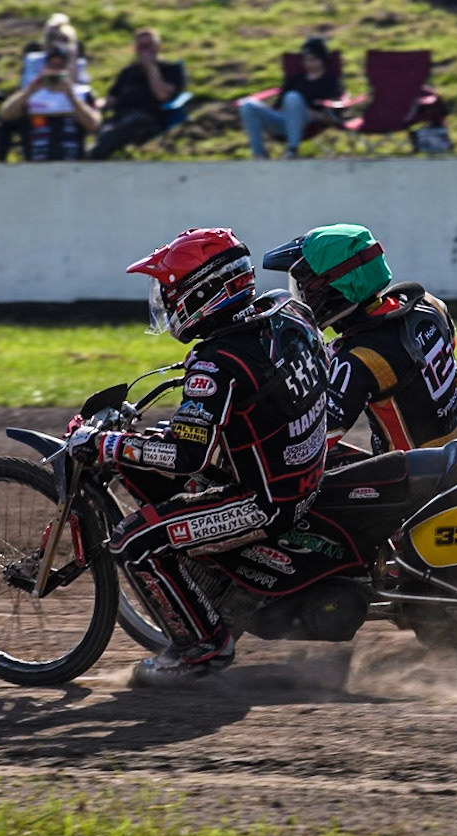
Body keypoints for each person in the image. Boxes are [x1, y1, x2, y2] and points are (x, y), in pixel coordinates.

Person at [65, 228, 329, 687]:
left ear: (201, 293)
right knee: (163, 475)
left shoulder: (215, 362)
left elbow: (186, 455)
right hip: (304, 465)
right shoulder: (283, 312)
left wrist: (108, 444)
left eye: (169, 293)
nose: (164, 305)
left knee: (134, 540)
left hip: (266, 502)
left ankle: (201, 649)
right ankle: (215, 589)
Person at [261, 224, 457, 463]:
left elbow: (313, 441)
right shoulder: (430, 306)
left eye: (304, 287)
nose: (301, 296)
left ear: (333, 289)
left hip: (411, 480)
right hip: (452, 453)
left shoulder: (360, 358)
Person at [238, 35, 341, 159]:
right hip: (284, 121)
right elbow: (278, 107)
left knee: (293, 97)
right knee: (247, 105)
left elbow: (334, 114)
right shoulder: (295, 80)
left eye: (313, 60)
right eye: (306, 60)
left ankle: (292, 150)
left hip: (309, 122)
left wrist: (316, 114)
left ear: (323, 60)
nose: (309, 64)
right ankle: (259, 154)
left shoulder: (329, 82)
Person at [88, 27, 184, 160]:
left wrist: (150, 67)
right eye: (141, 47)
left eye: (148, 46)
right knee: (105, 129)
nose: (145, 50)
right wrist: (94, 105)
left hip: (148, 118)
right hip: (120, 117)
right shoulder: (128, 72)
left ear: (158, 47)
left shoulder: (169, 69)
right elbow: (112, 98)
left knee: (120, 130)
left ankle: (93, 155)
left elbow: (162, 95)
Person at [0, 39, 100, 161]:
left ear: (70, 69)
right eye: (53, 66)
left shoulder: (81, 94)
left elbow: (94, 125)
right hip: (36, 158)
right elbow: (6, 115)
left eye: (61, 67)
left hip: (71, 158)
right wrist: (30, 91)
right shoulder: (31, 92)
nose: (56, 71)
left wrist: (71, 96)